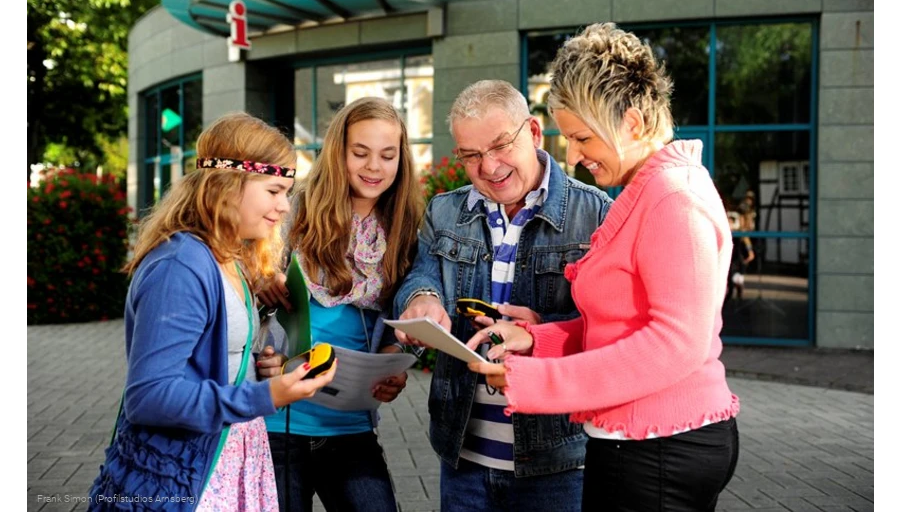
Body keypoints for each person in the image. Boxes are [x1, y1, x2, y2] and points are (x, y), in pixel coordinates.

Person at [467, 23, 741, 512]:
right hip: (641, 445)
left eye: (582, 138)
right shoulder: (648, 192)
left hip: (657, 450)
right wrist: (537, 341)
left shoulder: (673, 198)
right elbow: (620, 325)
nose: (573, 156)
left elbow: (677, 342)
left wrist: (537, 382)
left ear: (632, 123)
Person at [87, 112, 336, 511]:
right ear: (228, 184)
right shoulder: (180, 266)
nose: (284, 207)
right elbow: (149, 396)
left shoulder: (229, 257)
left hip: (225, 458)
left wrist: (258, 368)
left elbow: (216, 362)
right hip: (184, 474)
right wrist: (267, 395)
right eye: (274, 191)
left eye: (287, 193)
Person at [393, 80, 613, 511]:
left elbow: (609, 330)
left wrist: (541, 332)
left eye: (499, 146)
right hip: (463, 457)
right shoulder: (444, 211)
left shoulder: (595, 213)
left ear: (533, 132)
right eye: (471, 155)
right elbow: (421, 274)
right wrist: (422, 297)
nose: (489, 167)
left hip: (558, 462)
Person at [256, 97, 424, 512]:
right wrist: (260, 278)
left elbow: (409, 313)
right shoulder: (295, 210)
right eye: (360, 153)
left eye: (387, 155)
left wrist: (395, 358)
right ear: (337, 152)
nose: (374, 167)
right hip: (277, 419)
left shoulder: (405, 229)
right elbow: (241, 276)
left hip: (350, 425)